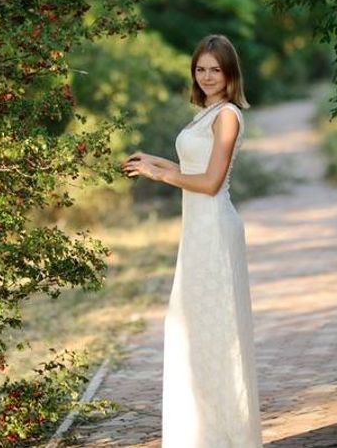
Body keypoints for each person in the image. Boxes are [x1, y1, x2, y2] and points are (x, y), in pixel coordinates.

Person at [120, 34, 263, 447]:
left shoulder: (229, 115)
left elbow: (211, 181)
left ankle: (226, 437)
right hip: (196, 229)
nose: (206, 77)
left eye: (214, 70)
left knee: (215, 331)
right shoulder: (205, 113)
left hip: (215, 229)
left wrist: (159, 175)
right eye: (200, 69)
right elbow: (192, 166)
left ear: (230, 72)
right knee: (192, 329)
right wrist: (153, 160)